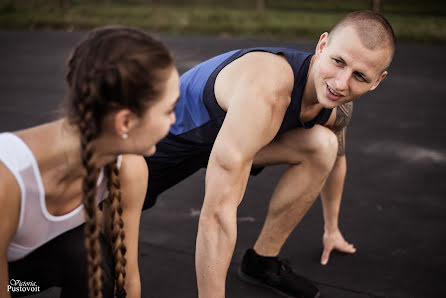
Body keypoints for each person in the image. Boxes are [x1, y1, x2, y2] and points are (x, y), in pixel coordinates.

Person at [143, 10, 395, 298]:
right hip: (159, 144)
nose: (340, 83)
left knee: (324, 146)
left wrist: (332, 228)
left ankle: (261, 263)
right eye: (338, 62)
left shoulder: (336, 109)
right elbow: (216, 214)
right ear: (322, 45)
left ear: (377, 81)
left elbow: (337, 158)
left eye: (360, 76)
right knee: (99, 235)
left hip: (223, 142)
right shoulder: (267, 92)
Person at [0, 25, 179, 298]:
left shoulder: (128, 169)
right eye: (169, 110)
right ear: (125, 121)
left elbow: (128, 280)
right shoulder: (7, 178)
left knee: (94, 260)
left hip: (29, 277)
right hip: (12, 285)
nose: (174, 120)